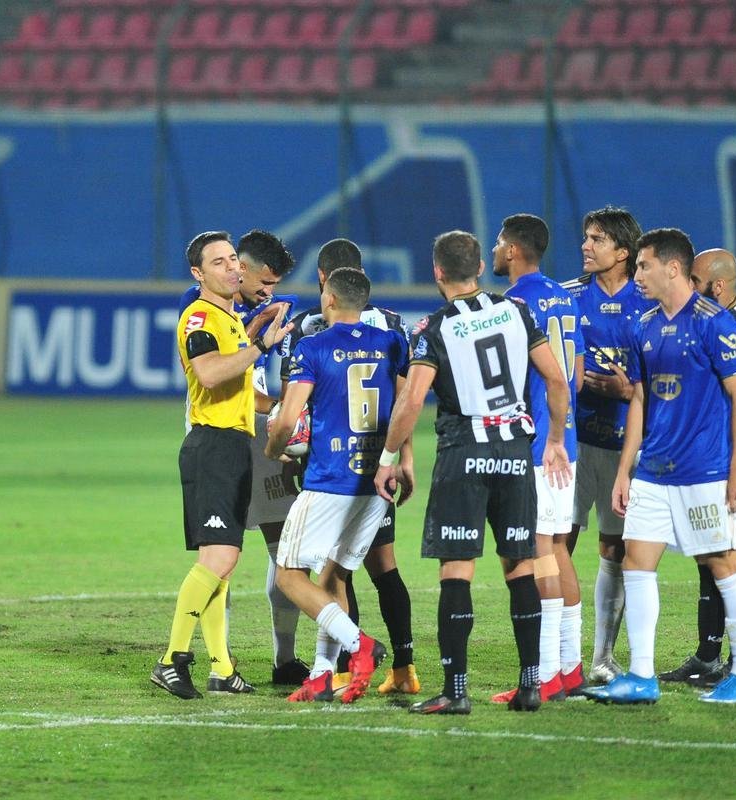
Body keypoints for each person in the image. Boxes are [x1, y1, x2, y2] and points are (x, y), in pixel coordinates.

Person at [376, 230, 573, 715]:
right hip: (513, 450)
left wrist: (388, 457)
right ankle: (531, 685)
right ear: (480, 268)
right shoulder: (517, 312)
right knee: (520, 566)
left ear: (437, 271)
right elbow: (556, 378)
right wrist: (554, 441)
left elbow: (413, 399)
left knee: (456, 570)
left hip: (464, 450)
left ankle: (456, 690)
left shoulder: (432, 328)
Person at [590, 228, 736, 705]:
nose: (636, 275)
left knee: (724, 564)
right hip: (652, 473)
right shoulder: (642, 325)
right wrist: (626, 470)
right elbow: (639, 399)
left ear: (672, 268)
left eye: (642, 266)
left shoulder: (715, 323)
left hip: (703, 474)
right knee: (636, 564)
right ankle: (642, 676)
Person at [151, 230, 292, 700]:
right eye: (219, 262)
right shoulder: (199, 316)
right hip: (211, 446)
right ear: (199, 274)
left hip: (232, 444)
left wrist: (255, 345)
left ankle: (222, 667)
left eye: (234, 259)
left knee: (222, 566)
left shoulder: (230, 319)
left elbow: (239, 387)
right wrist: (260, 346)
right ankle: (171, 659)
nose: (232, 267)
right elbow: (210, 375)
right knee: (220, 558)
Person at [278, 238, 420, 697]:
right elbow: (405, 406)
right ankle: (325, 673)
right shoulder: (394, 338)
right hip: (376, 478)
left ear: (329, 294)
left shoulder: (312, 341)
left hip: (328, 478)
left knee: (289, 575)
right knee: (337, 574)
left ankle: (360, 645)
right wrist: (403, 460)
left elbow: (288, 414)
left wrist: (274, 445)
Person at [658, 248, 736, 688]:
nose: (690, 286)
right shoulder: (735, 316)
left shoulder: (735, 329)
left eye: (697, 279)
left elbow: (735, 402)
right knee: (710, 559)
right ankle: (708, 656)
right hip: (719, 461)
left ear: (717, 286)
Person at [491, 214, 585, 704]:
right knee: (558, 548)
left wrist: (543, 434)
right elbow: (579, 372)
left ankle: (545, 673)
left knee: (539, 551)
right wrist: (563, 429)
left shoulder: (513, 304)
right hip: (563, 441)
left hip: (536, 446)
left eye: (498, 243)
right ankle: (570, 668)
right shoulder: (566, 297)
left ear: (511, 250)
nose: (493, 250)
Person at [560, 206, 653, 684]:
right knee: (558, 543)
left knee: (613, 549)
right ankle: (556, 655)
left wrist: (629, 391)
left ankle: (601, 656)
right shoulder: (569, 297)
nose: (586, 246)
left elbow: (668, 377)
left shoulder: (648, 301)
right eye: (586, 236)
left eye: (596, 238)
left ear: (623, 251)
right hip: (573, 446)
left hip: (626, 450)